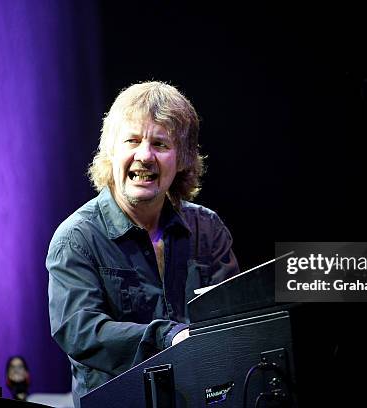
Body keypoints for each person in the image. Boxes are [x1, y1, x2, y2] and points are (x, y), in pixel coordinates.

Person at [46, 81, 239, 405]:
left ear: (183, 159)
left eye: (160, 144)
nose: (145, 156)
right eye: (132, 141)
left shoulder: (207, 229)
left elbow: (234, 318)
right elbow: (81, 332)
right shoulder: (76, 238)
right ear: (111, 151)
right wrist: (168, 336)